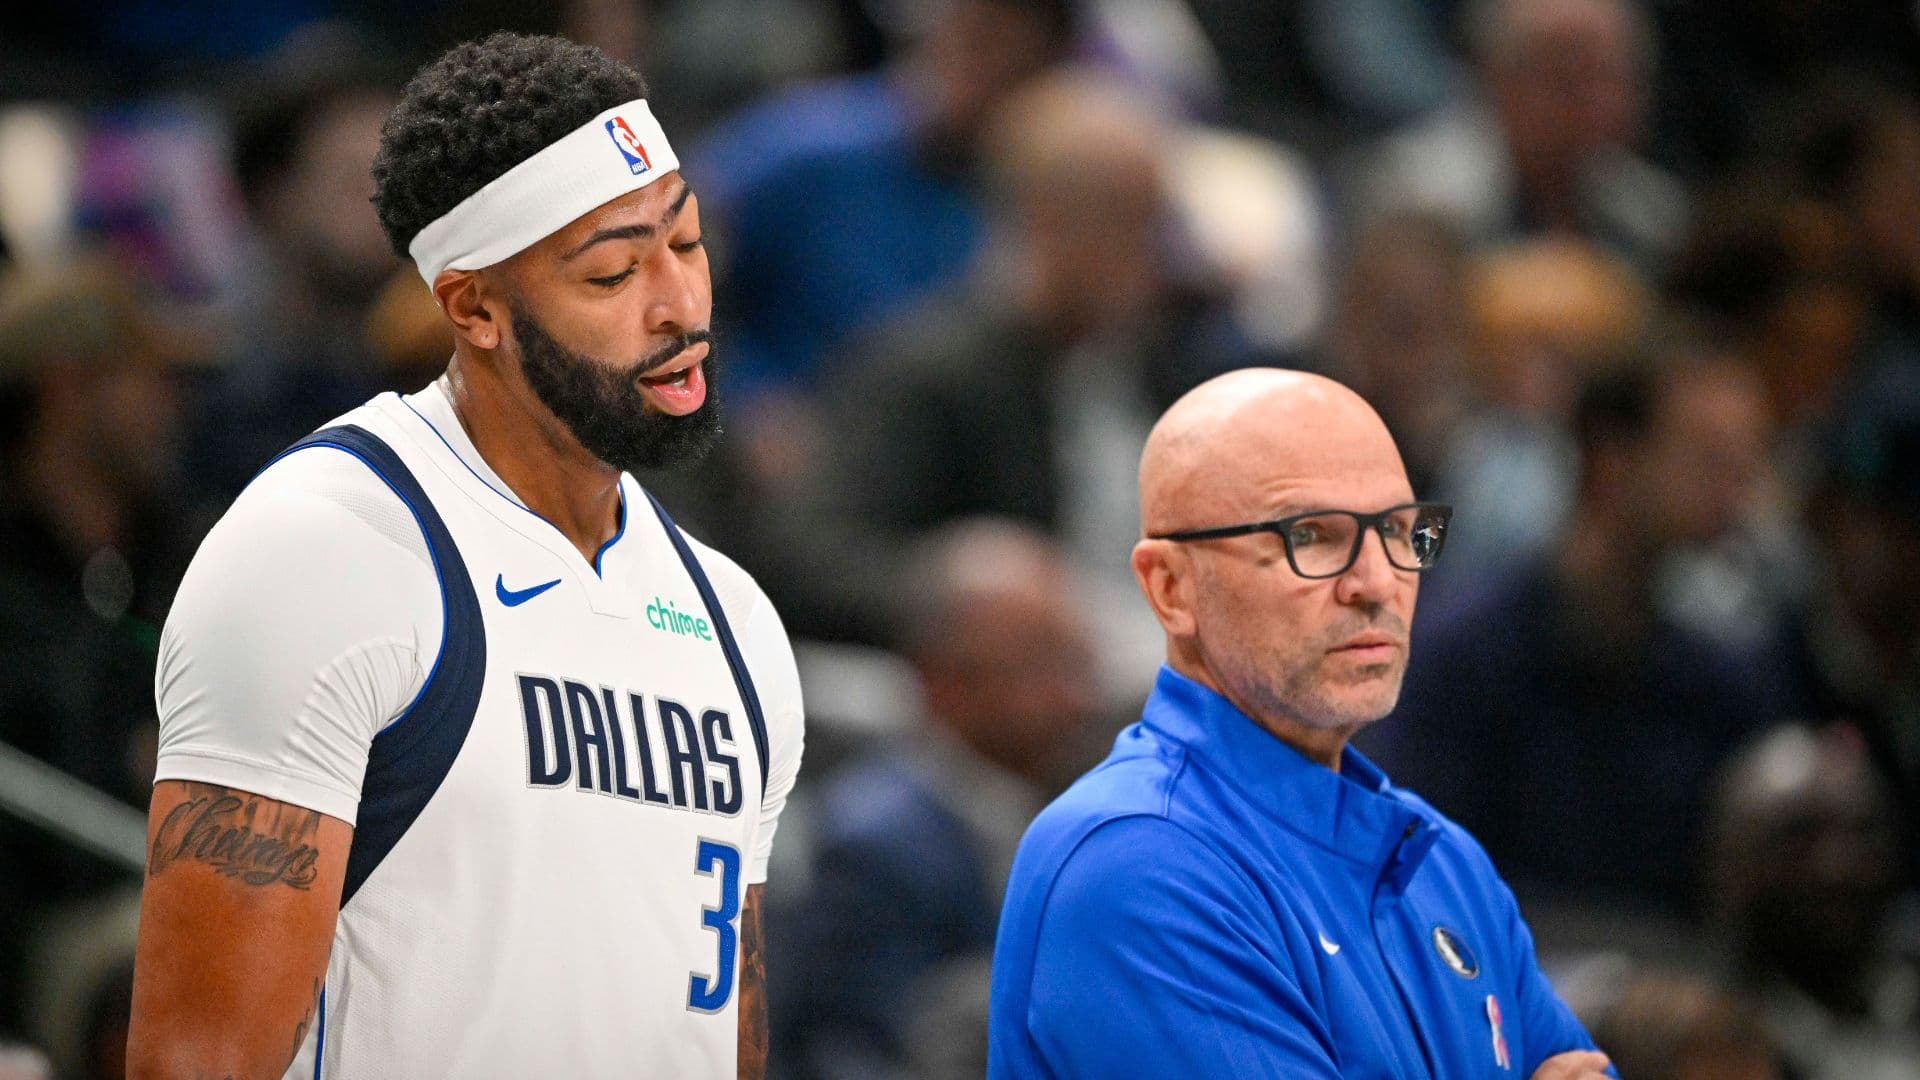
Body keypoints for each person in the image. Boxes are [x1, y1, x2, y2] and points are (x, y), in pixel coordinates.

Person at [125, 33, 805, 1079]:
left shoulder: (735, 622)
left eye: (690, 243)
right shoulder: (326, 551)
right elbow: (196, 1058)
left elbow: (721, 1039)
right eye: (615, 270)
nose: (680, 305)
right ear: (473, 307)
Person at [988, 368, 1613, 1077]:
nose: (1377, 584)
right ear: (1171, 588)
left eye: (1401, 531)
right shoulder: (1135, 865)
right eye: (1311, 535)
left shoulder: (1443, 858)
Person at [773, 520, 1101, 1080]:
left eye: (1077, 662)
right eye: (1040, 667)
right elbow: (841, 1054)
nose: (1077, 697)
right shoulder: (875, 846)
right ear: (945, 682)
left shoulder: (1068, 805)